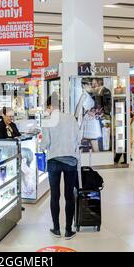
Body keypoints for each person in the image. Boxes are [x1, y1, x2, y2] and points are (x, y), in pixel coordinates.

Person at [40, 94, 82, 240]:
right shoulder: (71, 118)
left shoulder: (47, 121)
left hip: (54, 161)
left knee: (55, 196)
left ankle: (56, 228)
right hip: (71, 160)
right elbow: (78, 137)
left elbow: (45, 143)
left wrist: (42, 147)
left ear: (50, 107)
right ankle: (68, 230)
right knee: (69, 195)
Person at [74, 78, 102, 152]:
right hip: (90, 121)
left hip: (90, 120)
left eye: (90, 84)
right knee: (93, 144)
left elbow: (83, 108)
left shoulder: (87, 95)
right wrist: (75, 119)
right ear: (83, 85)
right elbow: (79, 107)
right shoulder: (84, 95)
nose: (90, 86)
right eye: (88, 84)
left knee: (91, 143)